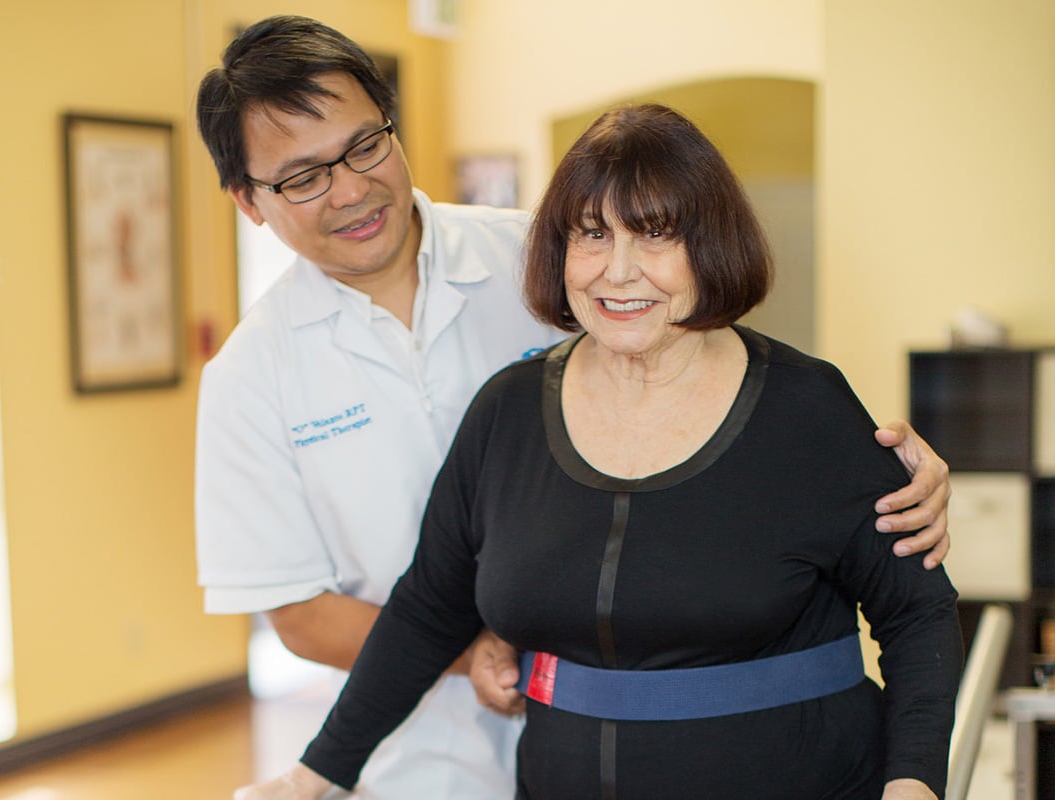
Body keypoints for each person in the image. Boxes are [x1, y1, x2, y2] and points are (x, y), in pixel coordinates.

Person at [193, 16, 955, 799]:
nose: (619, 270)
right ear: (249, 201)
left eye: (363, 146)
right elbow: (415, 603)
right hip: (455, 756)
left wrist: (896, 471)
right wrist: (319, 770)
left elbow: (909, 603)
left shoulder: (543, 259)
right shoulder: (280, 380)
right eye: (303, 176)